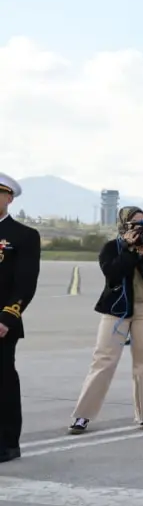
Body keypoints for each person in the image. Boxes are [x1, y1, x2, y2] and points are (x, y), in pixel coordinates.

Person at [68, 207, 143, 434]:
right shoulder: (111, 247)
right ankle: (82, 415)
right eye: (134, 223)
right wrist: (130, 251)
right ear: (124, 225)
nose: (140, 228)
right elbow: (113, 273)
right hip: (116, 310)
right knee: (103, 361)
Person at [0, 174, 39, 464]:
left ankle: (7, 442)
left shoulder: (23, 235)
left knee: (3, 381)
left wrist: (7, 318)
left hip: (2, 322)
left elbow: (25, 284)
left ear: (9, 198)